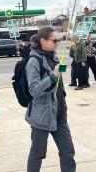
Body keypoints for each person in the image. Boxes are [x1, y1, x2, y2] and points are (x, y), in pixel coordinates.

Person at [25, 27, 76, 172]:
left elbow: (58, 84)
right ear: (43, 41)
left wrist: (60, 72)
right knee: (38, 154)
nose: (58, 43)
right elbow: (34, 90)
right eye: (55, 40)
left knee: (68, 152)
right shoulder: (33, 61)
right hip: (42, 117)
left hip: (59, 114)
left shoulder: (54, 57)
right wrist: (53, 76)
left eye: (59, 40)